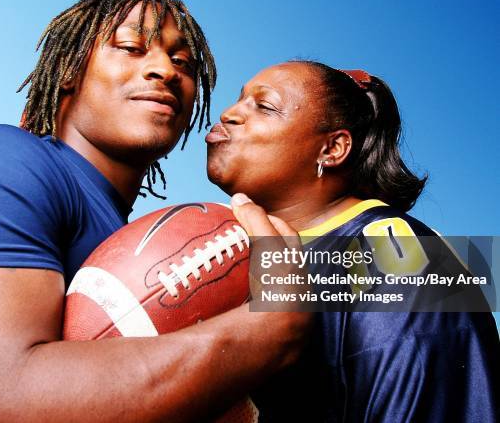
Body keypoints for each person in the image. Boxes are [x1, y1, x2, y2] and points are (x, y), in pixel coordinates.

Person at [0, 0, 311, 422]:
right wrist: (273, 325)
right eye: (131, 47)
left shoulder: (131, 248)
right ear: (70, 69)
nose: (164, 70)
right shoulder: (1, 162)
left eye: (182, 61)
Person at [206, 60, 500, 422]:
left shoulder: (404, 258)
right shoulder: (244, 253)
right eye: (240, 99)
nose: (229, 113)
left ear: (332, 149)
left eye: (264, 106)